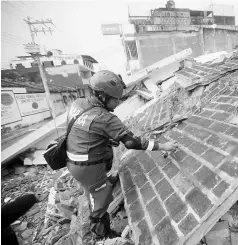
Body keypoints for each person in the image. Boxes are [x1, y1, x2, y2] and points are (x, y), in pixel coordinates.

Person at [65, 70, 177, 238]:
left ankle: (97, 188)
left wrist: (102, 139)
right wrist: (163, 145)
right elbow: (132, 142)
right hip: (88, 168)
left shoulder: (79, 103)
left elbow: (81, 129)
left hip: (72, 158)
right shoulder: (105, 118)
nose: (118, 103)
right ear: (102, 97)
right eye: (115, 99)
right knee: (101, 201)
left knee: (94, 184)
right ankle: (101, 232)